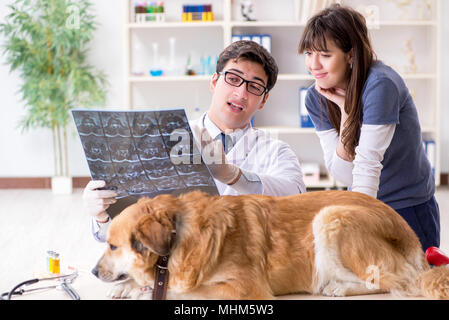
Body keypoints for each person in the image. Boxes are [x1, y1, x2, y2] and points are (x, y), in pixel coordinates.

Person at [84, 40, 306, 242]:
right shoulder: (161, 138)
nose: (241, 93)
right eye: (233, 79)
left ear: (263, 100)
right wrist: (101, 216)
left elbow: (296, 204)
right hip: (170, 268)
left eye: (254, 86)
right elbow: (128, 234)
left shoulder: (277, 151)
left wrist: (232, 174)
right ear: (213, 82)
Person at [298, 4, 440, 251]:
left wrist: (358, 228)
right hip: (364, 199)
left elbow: (367, 164)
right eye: (309, 53)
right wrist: (346, 113)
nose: (314, 64)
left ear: (351, 54)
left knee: (415, 286)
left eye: (325, 54)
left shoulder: (380, 84)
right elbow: (343, 174)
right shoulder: (315, 97)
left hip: (407, 208)